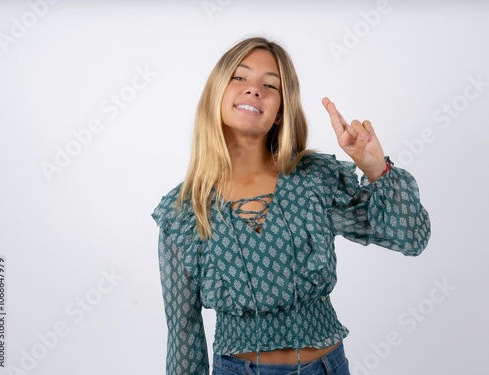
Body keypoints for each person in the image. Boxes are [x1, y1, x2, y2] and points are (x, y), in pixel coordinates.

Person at [151, 36, 430, 375]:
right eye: (240, 77)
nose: (254, 89)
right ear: (216, 93)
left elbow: (411, 238)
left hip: (326, 366)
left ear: (281, 110)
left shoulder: (314, 179)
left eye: (271, 85)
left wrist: (376, 169)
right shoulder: (183, 211)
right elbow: (184, 332)